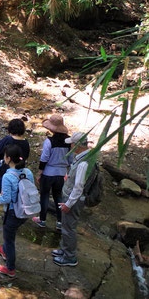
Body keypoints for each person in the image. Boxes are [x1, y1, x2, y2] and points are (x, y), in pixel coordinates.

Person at [0, 144, 34, 277]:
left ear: (8, 158)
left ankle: (10, 268)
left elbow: (6, 199)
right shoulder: (28, 172)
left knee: (9, 239)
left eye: (5, 156)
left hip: (12, 212)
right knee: (10, 236)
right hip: (26, 210)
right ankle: (4, 250)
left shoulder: (8, 176)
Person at [52, 132, 92, 267]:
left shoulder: (84, 163)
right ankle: (64, 250)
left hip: (73, 200)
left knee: (69, 228)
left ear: (77, 145)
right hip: (71, 196)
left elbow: (78, 187)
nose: (70, 146)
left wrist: (69, 204)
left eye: (72, 144)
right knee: (66, 226)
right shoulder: (84, 157)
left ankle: (70, 257)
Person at [0, 119, 30, 225]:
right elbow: (25, 157)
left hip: (3, 171)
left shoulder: (7, 139)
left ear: (10, 129)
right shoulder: (25, 143)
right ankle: (8, 214)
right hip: (19, 172)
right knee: (14, 193)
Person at [33, 114, 73, 230]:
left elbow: (44, 158)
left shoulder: (49, 141)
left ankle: (42, 220)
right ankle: (60, 222)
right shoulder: (69, 142)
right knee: (58, 197)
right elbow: (70, 160)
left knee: (44, 196)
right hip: (60, 174)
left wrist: (40, 173)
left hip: (48, 173)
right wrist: (67, 172)